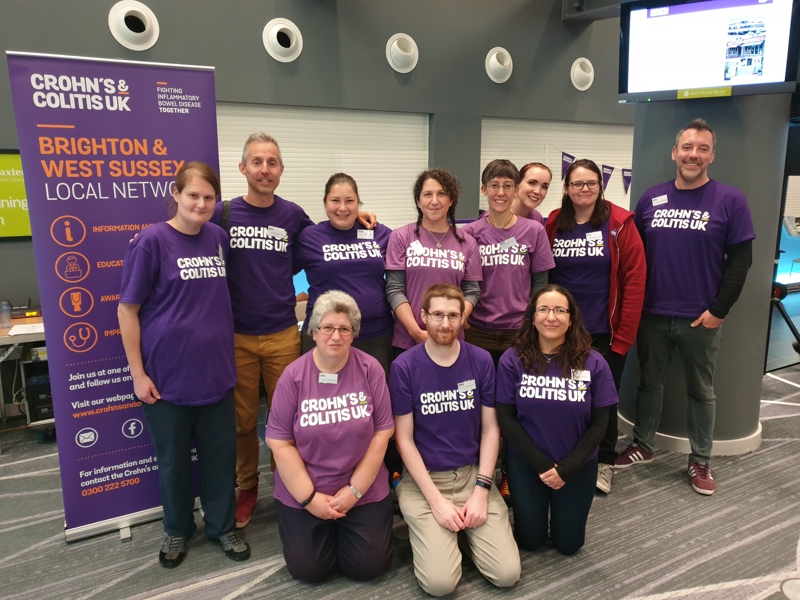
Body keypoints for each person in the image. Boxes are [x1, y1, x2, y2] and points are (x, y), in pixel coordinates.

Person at [212, 133, 376, 528]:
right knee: (244, 421)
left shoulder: (293, 216)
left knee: (291, 420)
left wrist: (364, 220)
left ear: (281, 171)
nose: (264, 169)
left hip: (285, 332)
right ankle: (247, 486)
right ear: (243, 168)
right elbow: (188, 235)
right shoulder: (223, 213)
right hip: (236, 336)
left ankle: (288, 485)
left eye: (272, 163)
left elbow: (327, 238)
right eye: (257, 162)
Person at [118, 162, 250, 568]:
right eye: (193, 195)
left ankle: (222, 525)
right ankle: (176, 531)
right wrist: (137, 374)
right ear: (175, 194)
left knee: (219, 458)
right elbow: (127, 310)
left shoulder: (217, 238)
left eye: (209, 197)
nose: (201, 203)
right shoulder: (151, 243)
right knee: (173, 463)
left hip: (216, 375)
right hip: (165, 381)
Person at [615, 119, 755, 496]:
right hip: (653, 315)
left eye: (702, 148)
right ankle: (643, 444)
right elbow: (634, 258)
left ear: (712, 156)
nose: (694, 155)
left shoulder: (730, 199)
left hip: (701, 319)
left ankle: (700, 458)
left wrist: (719, 311)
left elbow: (741, 261)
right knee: (649, 382)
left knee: (702, 392)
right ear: (674, 153)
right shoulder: (650, 198)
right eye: (688, 147)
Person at [389, 284, 520, 596]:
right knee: (440, 585)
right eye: (436, 315)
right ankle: (442, 529)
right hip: (425, 482)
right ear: (423, 316)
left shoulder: (482, 361)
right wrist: (436, 502)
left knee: (507, 575)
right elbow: (404, 440)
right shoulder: (404, 366)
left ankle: (461, 530)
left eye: (452, 316)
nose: (445, 324)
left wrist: (482, 489)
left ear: (463, 318)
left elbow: (491, 429)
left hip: (472, 476)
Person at [265, 290, 394, 582]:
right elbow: (280, 442)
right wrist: (309, 498)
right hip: (306, 489)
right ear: (313, 331)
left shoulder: (370, 369)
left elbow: (382, 433)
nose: (335, 336)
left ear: (353, 334)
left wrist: (354, 492)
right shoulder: (293, 376)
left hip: (362, 488)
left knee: (369, 567)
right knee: (309, 571)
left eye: (344, 329)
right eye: (327, 327)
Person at [544, 158, 646, 494]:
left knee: (602, 402)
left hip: (604, 331)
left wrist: (624, 338)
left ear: (600, 186)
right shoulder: (556, 222)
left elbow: (634, 281)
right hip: (559, 330)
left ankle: (603, 461)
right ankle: (565, 455)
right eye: (577, 184)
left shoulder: (619, 223)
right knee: (562, 396)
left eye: (590, 183)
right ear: (566, 188)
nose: (584, 189)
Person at [496, 284, 618, 555]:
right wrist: (541, 465)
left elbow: (601, 424)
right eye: (544, 310)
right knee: (530, 542)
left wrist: (567, 469)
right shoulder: (512, 360)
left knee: (569, 545)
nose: (551, 317)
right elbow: (505, 418)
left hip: (576, 466)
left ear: (571, 318)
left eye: (560, 310)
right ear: (532, 317)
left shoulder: (594, 363)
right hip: (527, 464)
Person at [294, 173, 393, 376]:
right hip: (325, 337)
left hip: (375, 334)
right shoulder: (309, 237)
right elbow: (279, 270)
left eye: (350, 201)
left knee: (375, 397)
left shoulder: (380, 233)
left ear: (358, 203)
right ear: (325, 202)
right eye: (335, 200)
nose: (342, 207)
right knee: (325, 401)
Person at [462, 159, 554, 366]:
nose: (501, 193)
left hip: (518, 330)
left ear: (516, 190)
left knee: (512, 392)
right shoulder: (469, 234)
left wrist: (533, 320)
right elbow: (463, 282)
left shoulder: (534, 230)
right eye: (494, 185)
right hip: (477, 330)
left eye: (507, 186)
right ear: (484, 190)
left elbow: (540, 282)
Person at [385, 169, 482, 355]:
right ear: (418, 201)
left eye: (442, 194)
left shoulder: (467, 242)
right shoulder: (401, 237)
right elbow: (394, 289)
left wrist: (453, 325)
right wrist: (416, 332)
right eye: (428, 194)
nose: (435, 201)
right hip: (408, 340)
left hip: (451, 339)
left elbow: (472, 291)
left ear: (451, 200)